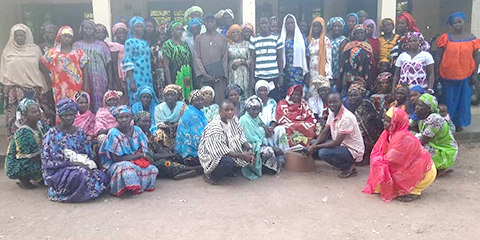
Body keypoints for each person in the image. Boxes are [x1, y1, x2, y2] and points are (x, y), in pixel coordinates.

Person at [362, 107, 436, 202]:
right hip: (414, 167)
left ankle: (414, 191)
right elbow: (378, 150)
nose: (385, 123)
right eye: (385, 120)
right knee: (379, 163)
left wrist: (378, 159)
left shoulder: (401, 137)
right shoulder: (388, 133)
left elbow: (391, 159)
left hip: (424, 173)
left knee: (382, 164)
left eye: (389, 121)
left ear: (396, 122)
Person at [41, 99, 108, 202]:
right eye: (65, 115)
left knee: (102, 176)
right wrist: (75, 163)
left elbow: (88, 153)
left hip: (82, 164)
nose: (69, 118)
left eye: (71, 115)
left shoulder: (79, 132)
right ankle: (74, 195)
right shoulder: (52, 134)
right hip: (59, 169)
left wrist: (85, 162)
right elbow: (49, 161)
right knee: (81, 175)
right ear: (60, 116)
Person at [1, 24, 49, 141]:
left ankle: (35, 144)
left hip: (31, 90)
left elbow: (41, 68)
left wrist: (48, 84)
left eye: (22, 35)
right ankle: (16, 145)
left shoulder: (35, 50)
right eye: (17, 36)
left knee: (34, 117)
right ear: (13, 37)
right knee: (15, 119)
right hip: (13, 92)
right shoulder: (7, 52)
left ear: (26, 36)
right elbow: (3, 72)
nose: (19, 38)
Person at [99, 105, 159, 197]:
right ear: (116, 119)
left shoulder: (137, 130)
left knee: (152, 169)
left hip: (134, 161)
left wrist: (141, 156)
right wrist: (141, 156)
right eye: (120, 117)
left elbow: (143, 148)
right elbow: (117, 159)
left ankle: (136, 186)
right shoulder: (113, 133)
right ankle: (125, 188)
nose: (124, 120)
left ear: (131, 118)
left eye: (127, 117)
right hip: (117, 164)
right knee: (127, 168)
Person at [437, 12, 480, 132]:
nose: (457, 25)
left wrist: (475, 74)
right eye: (454, 23)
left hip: (467, 75)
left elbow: (476, 56)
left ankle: (459, 124)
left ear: (464, 22)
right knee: (449, 100)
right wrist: (437, 73)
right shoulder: (445, 38)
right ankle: (447, 123)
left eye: (459, 22)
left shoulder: (472, 38)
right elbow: (438, 56)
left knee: (463, 100)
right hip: (447, 76)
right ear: (451, 25)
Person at [306, 92, 364, 178]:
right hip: (342, 146)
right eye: (330, 102)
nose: (332, 105)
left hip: (352, 150)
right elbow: (324, 132)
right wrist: (314, 145)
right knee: (313, 142)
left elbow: (336, 142)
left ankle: (348, 166)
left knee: (323, 153)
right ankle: (342, 163)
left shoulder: (347, 118)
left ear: (341, 101)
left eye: (335, 102)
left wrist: (315, 147)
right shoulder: (332, 114)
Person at [198, 100, 254, 185]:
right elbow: (220, 151)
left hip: (227, 150)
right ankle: (210, 175)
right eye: (227, 110)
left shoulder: (234, 120)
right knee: (228, 162)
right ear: (220, 111)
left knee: (250, 151)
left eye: (232, 110)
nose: (230, 112)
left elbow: (241, 136)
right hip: (211, 155)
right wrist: (243, 156)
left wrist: (249, 150)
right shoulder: (215, 126)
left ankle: (228, 171)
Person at [134, 111, 202, 180]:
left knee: (169, 152)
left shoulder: (148, 133)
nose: (147, 124)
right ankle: (193, 169)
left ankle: (181, 170)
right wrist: (170, 155)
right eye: (144, 121)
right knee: (164, 163)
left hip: (153, 158)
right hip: (144, 162)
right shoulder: (136, 136)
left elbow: (158, 148)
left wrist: (170, 154)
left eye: (149, 121)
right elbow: (151, 156)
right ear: (137, 122)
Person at [5, 99, 48, 189]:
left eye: (38, 110)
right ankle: (24, 177)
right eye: (33, 112)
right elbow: (33, 156)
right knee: (50, 171)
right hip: (19, 164)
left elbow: (51, 134)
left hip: (36, 158)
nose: (38, 113)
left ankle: (37, 177)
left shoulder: (40, 125)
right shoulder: (23, 132)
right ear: (25, 114)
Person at [240, 96, 285, 180]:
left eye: (258, 109)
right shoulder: (244, 120)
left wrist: (264, 127)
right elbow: (249, 140)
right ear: (248, 109)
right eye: (253, 109)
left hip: (258, 143)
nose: (256, 112)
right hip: (249, 146)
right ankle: (262, 169)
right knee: (269, 151)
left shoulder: (256, 118)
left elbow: (261, 124)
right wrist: (270, 147)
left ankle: (268, 167)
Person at [73, 20, 112, 112]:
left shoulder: (101, 45)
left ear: (94, 30)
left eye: (90, 28)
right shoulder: (76, 45)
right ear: (82, 30)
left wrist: (110, 81)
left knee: (99, 100)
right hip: (82, 77)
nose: (88, 30)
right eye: (86, 28)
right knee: (84, 100)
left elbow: (109, 63)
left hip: (99, 77)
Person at [42, 26, 88, 103]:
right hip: (58, 86)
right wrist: (49, 78)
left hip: (76, 85)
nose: (67, 39)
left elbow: (85, 68)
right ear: (60, 37)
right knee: (61, 107)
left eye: (69, 37)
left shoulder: (78, 52)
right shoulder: (52, 52)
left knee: (76, 105)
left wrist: (86, 86)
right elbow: (42, 63)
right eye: (65, 36)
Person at [415, 94, 458, 177]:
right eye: (416, 104)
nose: (416, 107)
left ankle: (435, 168)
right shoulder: (422, 118)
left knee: (418, 149)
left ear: (429, 108)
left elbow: (422, 141)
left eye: (420, 105)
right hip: (436, 147)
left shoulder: (434, 119)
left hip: (446, 152)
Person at [194, 14, 229, 104]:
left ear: (215, 23)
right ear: (204, 24)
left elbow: (225, 58)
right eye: (207, 22)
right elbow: (197, 57)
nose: (210, 24)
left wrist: (221, 75)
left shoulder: (222, 38)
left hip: (219, 78)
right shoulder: (198, 38)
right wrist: (205, 74)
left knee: (219, 101)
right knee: (204, 101)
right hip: (204, 77)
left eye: (212, 21)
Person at [345, 81, 383, 163]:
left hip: (371, 135)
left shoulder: (366, 105)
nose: (353, 98)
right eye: (351, 95)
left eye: (355, 95)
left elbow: (365, 125)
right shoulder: (350, 106)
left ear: (361, 95)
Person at [250, 17, 284, 101]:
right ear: (258, 25)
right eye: (262, 23)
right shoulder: (254, 39)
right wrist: (252, 78)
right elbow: (252, 59)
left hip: (274, 76)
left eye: (266, 23)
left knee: (274, 99)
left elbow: (280, 57)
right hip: (260, 76)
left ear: (269, 24)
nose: (264, 25)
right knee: (260, 100)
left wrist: (281, 75)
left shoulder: (277, 38)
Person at [122, 16, 154, 104]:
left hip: (147, 76)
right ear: (132, 28)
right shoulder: (129, 42)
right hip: (136, 76)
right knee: (137, 99)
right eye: (137, 26)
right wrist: (131, 81)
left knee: (148, 98)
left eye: (141, 26)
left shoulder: (145, 42)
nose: (140, 28)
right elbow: (127, 61)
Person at [174, 90, 209, 166]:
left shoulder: (198, 111)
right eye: (197, 100)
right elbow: (198, 136)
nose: (200, 102)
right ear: (191, 102)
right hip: (191, 151)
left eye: (201, 99)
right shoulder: (192, 114)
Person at [340, 24, 374, 94]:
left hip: (364, 75)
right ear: (354, 34)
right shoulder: (349, 46)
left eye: (362, 33)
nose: (360, 35)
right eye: (358, 33)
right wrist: (343, 76)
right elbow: (344, 62)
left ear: (365, 34)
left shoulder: (368, 46)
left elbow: (371, 62)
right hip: (350, 75)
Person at [163, 22, 193, 100]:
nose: (179, 31)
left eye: (181, 29)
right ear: (172, 31)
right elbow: (166, 67)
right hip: (175, 75)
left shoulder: (185, 44)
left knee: (187, 98)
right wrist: (170, 84)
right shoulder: (168, 44)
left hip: (186, 76)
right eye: (177, 29)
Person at [255, 80, 289, 150]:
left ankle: (284, 153)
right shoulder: (253, 102)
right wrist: (264, 128)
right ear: (256, 91)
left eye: (265, 90)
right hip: (258, 128)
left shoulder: (272, 102)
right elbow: (251, 119)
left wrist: (271, 128)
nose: (262, 93)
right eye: (260, 90)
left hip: (270, 129)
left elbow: (274, 117)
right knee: (260, 130)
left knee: (281, 129)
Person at [154, 84, 187, 151]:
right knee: (159, 133)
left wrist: (175, 126)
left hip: (179, 128)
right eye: (168, 95)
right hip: (165, 129)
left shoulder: (182, 106)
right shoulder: (159, 108)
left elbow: (184, 120)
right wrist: (168, 127)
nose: (170, 97)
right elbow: (159, 123)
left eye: (172, 95)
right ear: (165, 97)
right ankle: (163, 151)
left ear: (177, 96)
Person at [280, 14, 309, 89]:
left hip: (298, 71)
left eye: (292, 23)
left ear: (295, 24)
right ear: (284, 25)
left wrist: (307, 74)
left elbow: (306, 55)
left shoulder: (302, 37)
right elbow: (279, 56)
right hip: (286, 71)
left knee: (297, 92)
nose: (290, 25)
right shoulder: (282, 38)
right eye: (288, 23)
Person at [227, 24, 252, 97]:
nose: (235, 34)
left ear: (241, 33)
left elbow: (251, 60)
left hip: (244, 72)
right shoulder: (228, 44)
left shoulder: (247, 44)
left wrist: (241, 62)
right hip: (232, 73)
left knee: (245, 90)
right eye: (233, 32)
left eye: (237, 32)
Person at [308, 17, 333, 87]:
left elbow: (328, 58)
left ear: (322, 27)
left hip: (321, 69)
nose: (316, 28)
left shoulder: (326, 40)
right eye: (314, 26)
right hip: (311, 69)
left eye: (318, 26)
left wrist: (328, 74)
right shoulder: (309, 40)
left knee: (321, 89)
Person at [107, 22, 129, 101]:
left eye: (123, 32)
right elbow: (114, 64)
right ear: (115, 34)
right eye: (119, 33)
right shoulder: (114, 45)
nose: (121, 35)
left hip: (127, 73)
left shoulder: (128, 44)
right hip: (119, 74)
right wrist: (117, 81)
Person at [327, 17, 348, 89]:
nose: (337, 28)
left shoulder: (343, 40)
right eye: (334, 26)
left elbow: (342, 57)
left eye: (339, 26)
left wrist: (340, 74)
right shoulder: (328, 39)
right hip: (328, 69)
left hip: (337, 69)